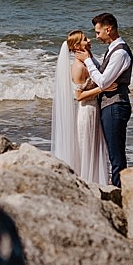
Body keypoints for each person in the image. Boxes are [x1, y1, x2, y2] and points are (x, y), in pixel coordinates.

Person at [77, 12, 132, 186]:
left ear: (108, 29)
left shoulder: (120, 53)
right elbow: (104, 77)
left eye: (98, 32)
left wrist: (87, 61)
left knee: (115, 154)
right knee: (113, 152)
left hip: (116, 105)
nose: (97, 36)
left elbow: (102, 80)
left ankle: (119, 190)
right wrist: (90, 58)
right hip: (110, 105)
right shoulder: (113, 50)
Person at [50, 30, 110, 184]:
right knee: (87, 150)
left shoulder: (87, 61)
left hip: (94, 109)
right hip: (87, 111)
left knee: (94, 150)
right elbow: (79, 96)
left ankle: (95, 181)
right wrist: (102, 88)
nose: (89, 40)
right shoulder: (77, 67)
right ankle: (87, 182)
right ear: (77, 46)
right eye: (85, 39)